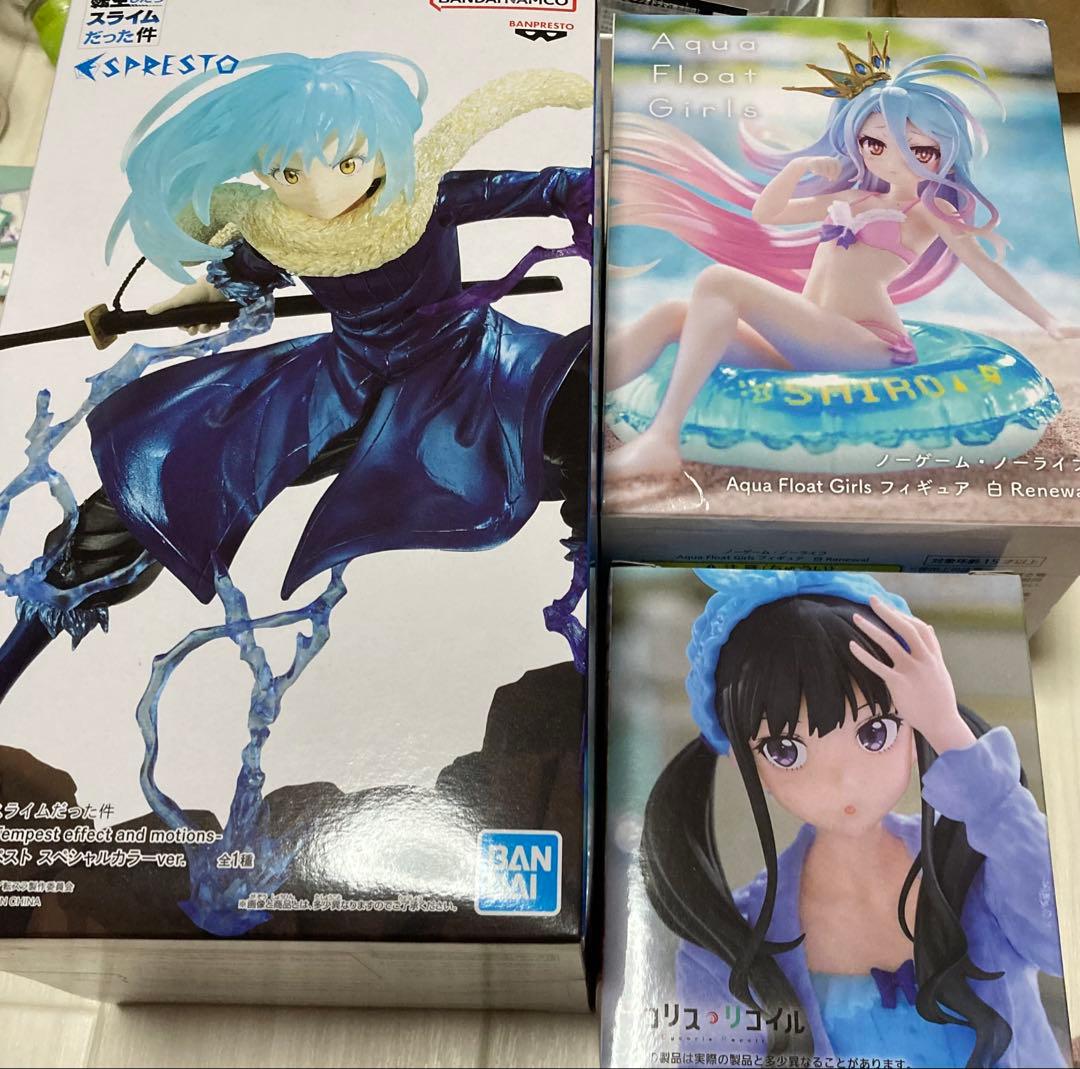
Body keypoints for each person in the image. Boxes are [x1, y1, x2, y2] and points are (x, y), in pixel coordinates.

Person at [0, 51, 594, 699]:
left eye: (345, 163)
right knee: (154, 475)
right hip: (343, 379)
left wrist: (603, 196)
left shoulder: (425, 195)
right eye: (288, 172)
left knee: (587, 409)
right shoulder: (277, 227)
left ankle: (606, 595)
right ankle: (26, 638)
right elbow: (232, 282)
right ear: (263, 171)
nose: (319, 191)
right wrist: (168, 308)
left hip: (466, 366)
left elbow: (553, 186)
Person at [641, 570, 1067, 1067]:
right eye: (785, 750)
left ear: (915, 725)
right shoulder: (726, 949)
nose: (844, 780)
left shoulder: (982, 866)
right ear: (744, 762)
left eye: (875, 732)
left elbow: (1063, 944)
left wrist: (950, 732)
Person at [605, 33, 1080, 478]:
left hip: (868, 346)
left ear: (944, 150)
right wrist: (797, 168)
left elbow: (985, 267)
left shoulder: (928, 210)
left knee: (719, 281)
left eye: (918, 150)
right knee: (673, 313)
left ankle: (662, 439)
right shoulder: (854, 197)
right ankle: (581, 397)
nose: (892, 159)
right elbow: (768, 213)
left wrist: (1048, 320)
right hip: (810, 340)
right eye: (875, 144)